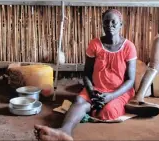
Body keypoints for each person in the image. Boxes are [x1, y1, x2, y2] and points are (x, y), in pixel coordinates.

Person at [34, 9, 137, 141]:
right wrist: (91, 91)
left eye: (114, 22)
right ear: (102, 24)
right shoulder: (95, 44)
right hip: (95, 89)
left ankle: (87, 109)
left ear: (121, 25)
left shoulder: (129, 47)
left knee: (107, 112)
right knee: (79, 100)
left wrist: (111, 96)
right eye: (106, 22)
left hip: (118, 91)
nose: (110, 25)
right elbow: (87, 74)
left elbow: (130, 80)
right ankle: (64, 131)